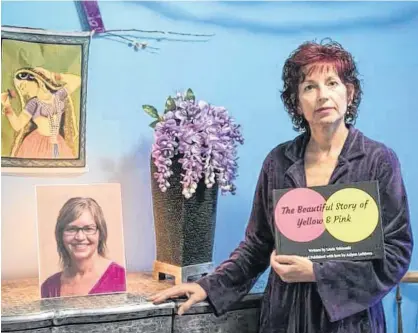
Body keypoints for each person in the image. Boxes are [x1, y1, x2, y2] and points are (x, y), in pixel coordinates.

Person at [149, 39, 414, 333]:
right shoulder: (278, 162)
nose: (322, 95)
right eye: (309, 87)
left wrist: (318, 273)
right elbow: (257, 245)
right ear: (297, 103)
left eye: (332, 83)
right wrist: (208, 287)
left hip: (350, 322)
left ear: (349, 93)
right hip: (286, 315)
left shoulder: (378, 161)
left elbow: (396, 252)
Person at [41, 197, 126, 298]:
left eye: (88, 229)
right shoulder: (48, 287)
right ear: (60, 235)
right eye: (71, 229)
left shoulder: (121, 278)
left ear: (101, 233)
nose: (80, 237)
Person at [0, 67, 80, 159]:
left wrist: (53, 75)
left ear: (36, 79)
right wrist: (7, 105)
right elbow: (18, 125)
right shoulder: (33, 103)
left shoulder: (58, 96)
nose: (23, 92)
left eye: (23, 86)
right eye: (20, 89)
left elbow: (77, 81)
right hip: (36, 144)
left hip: (57, 142)